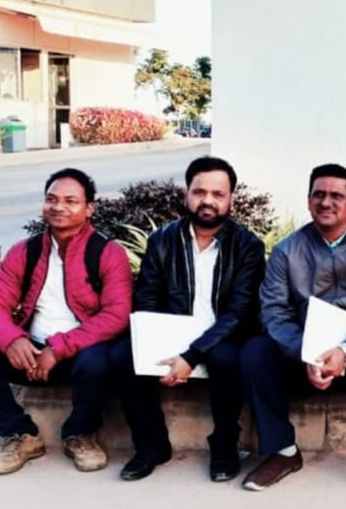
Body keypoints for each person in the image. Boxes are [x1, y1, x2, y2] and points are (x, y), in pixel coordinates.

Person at [240, 163, 346, 494]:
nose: (326, 202)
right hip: (303, 357)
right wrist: (307, 354)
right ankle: (283, 451)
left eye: (336, 196)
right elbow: (273, 312)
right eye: (318, 195)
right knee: (255, 353)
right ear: (308, 201)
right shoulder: (287, 251)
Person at [109, 157, 265, 482]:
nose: (208, 200)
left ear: (231, 199)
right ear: (187, 194)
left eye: (218, 194)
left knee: (226, 359)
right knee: (123, 356)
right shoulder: (162, 240)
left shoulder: (247, 246)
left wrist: (191, 355)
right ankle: (151, 445)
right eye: (199, 192)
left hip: (222, 335)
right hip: (172, 332)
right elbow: (147, 300)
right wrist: (157, 346)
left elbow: (239, 311)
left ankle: (224, 443)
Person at [0, 168, 132, 475]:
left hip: (79, 354)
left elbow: (116, 315)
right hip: (30, 353)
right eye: (51, 199)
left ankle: (80, 434)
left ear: (89, 208)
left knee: (98, 361)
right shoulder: (25, 251)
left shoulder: (107, 253)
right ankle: (21, 435)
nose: (58, 206)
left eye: (71, 201)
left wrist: (58, 348)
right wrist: (12, 340)